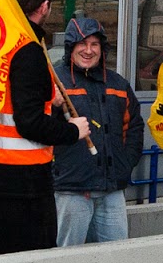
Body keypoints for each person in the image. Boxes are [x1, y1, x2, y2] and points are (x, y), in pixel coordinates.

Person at [0, 0, 90, 257]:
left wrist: (50, 103)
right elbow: (28, 122)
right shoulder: (28, 50)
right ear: (44, 7)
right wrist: (73, 130)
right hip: (22, 186)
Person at [53, 15, 143, 245]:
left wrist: (125, 164)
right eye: (82, 44)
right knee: (67, 258)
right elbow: (38, 128)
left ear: (102, 49)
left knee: (116, 257)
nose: (88, 50)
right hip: (71, 190)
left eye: (94, 44)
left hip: (112, 190)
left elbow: (134, 127)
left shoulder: (118, 84)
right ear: (71, 47)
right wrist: (51, 105)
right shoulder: (54, 81)